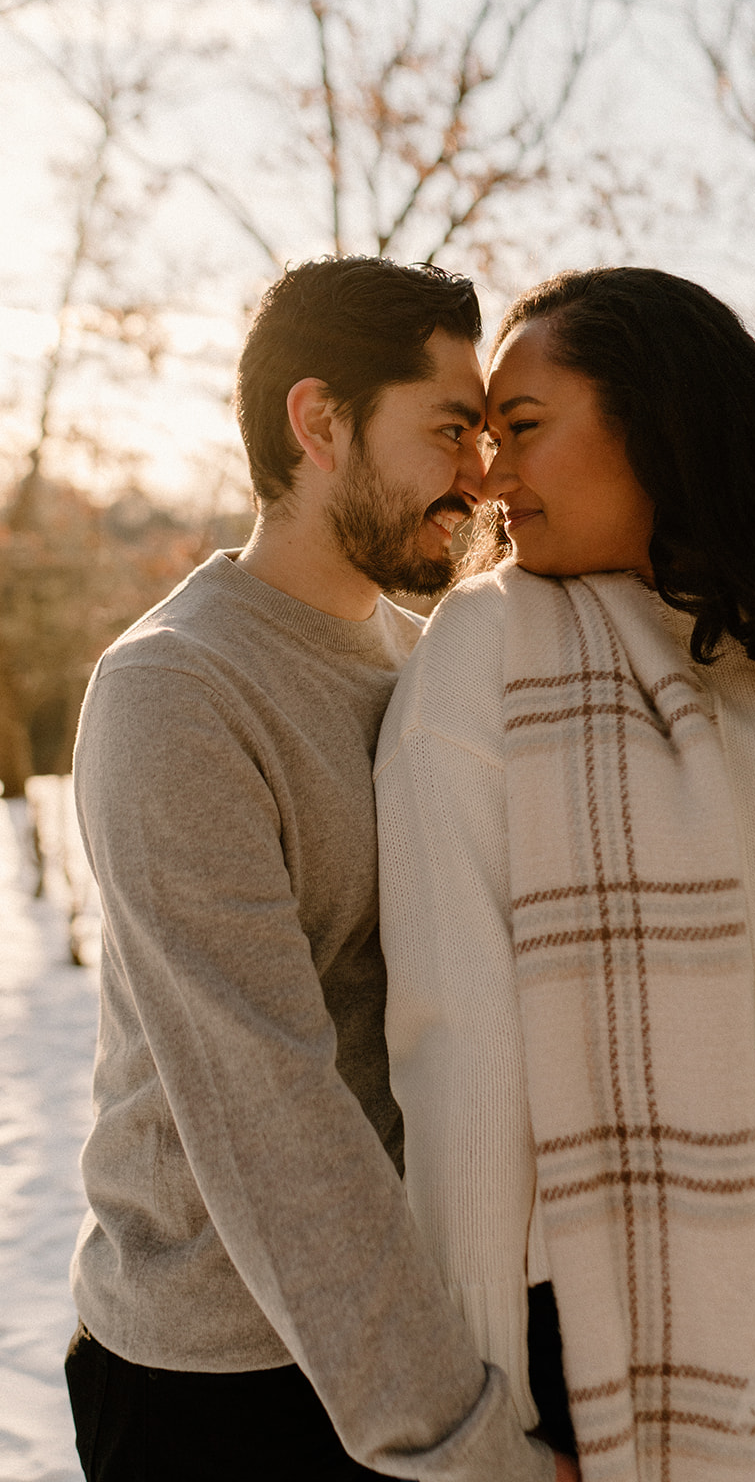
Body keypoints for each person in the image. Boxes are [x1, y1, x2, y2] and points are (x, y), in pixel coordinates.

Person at [374, 267, 755, 1481]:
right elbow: (460, 1058)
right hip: (589, 1316)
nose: (491, 479)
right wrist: (489, 1417)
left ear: (661, 419)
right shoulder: (489, 652)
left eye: (524, 429)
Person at [65, 256, 574, 1482]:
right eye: (449, 427)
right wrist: (462, 1445)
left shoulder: (427, 659)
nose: (481, 475)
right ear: (319, 422)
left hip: (417, 1317)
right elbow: (270, 1107)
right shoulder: (175, 693)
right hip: (220, 1379)